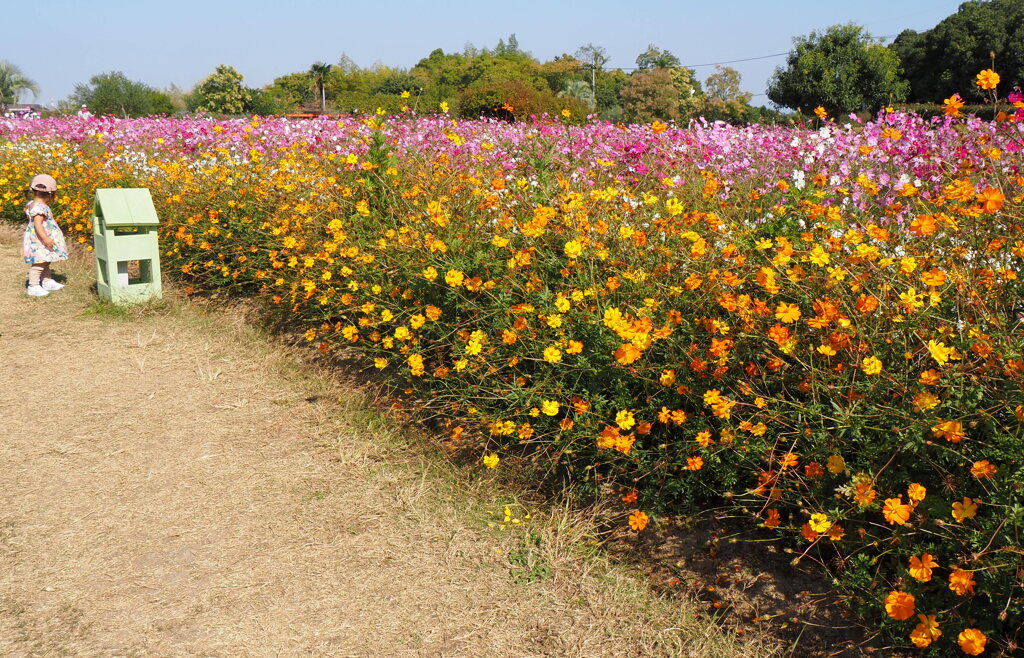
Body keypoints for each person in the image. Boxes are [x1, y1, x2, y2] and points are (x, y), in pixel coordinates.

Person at [23, 174, 69, 297]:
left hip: (39, 238)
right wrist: (45, 238)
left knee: (46, 259)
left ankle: (46, 280)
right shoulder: (40, 208)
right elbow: (38, 224)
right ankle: (33, 286)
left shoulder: (32, 204)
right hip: (40, 240)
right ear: (51, 194)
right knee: (39, 263)